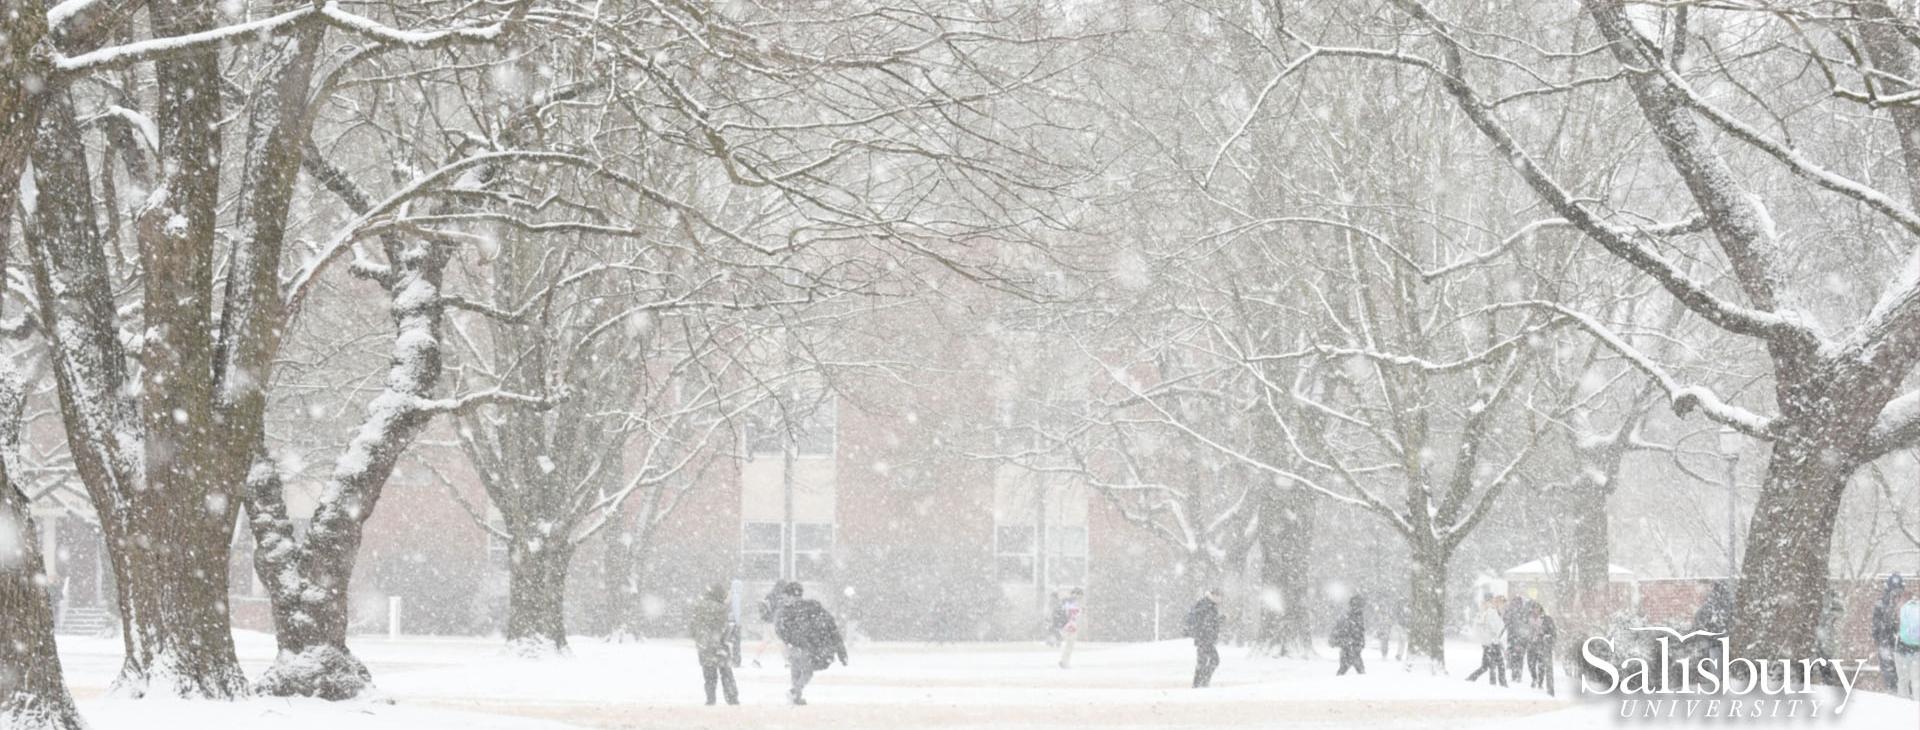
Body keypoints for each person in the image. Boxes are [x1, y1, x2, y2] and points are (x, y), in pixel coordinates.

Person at [773, 581, 847, 705]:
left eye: (786, 596)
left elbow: (780, 629)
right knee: (806, 671)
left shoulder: (787, 611)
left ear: (793, 596)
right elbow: (831, 627)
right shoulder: (813, 608)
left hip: (795, 646)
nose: (785, 600)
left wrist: (789, 640)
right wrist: (841, 652)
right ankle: (795, 692)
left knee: (797, 669)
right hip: (806, 647)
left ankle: (795, 694)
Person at [689, 583, 739, 705]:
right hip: (719, 645)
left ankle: (710, 699)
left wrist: (700, 638)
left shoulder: (698, 607)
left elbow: (692, 628)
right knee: (726, 673)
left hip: (704, 646)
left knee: (709, 675)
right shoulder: (722, 609)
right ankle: (732, 698)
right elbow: (726, 628)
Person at [1872, 574, 1906, 691]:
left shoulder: (1880, 603)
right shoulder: (1906, 602)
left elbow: (1876, 625)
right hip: (1903, 643)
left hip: (1886, 641)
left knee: (1888, 671)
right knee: (1903, 673)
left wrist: (1877, 638)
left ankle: (1892, 693)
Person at [1185, 588, 1224, 687]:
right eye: (1220, 597)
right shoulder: (1207, 606)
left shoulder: (1207, 604)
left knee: (1203, 661)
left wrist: (1218, 620)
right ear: (1215, 596)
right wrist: (1208, 632)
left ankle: (1199, 683)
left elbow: (1209, 621)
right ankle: (1202, 682)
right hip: (1205, 639)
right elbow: (1207, 622)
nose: (1220, 600)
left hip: (1204, 638)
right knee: (1213, 660)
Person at [1465, 594, 1507, 686]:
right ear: (1496, 602)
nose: (1502, 606)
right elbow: (1494, 628)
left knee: (1487, 666)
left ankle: (1471, 678)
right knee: (1498, 664)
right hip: (1491, 642)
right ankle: (1499, 684)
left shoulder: (1493, 612)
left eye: (1503, 604)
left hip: (1490, 642)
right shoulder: (1491, 612)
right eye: (1501, 603)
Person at [1331, 594, 1367, 676]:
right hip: (1351, 645)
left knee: (1346, 667)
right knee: (1357, 667)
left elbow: (1359, 631)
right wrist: (1358, 643)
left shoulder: (1355, 616)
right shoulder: (1353, 616)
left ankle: (1339, 679)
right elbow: (1357, 631)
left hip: (1349, 645)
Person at [1503, 595, 1533, 685]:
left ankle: (1517, 675)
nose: (1516, 604)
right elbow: (1506, 621)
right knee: (1515, 656)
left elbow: (1526, 624)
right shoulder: (1511, 611)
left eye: (1517, 602)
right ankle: (1515, 674)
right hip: (1514, 637)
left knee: (1518, 656)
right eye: (1515, 602)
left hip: (1519, 638)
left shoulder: (1523, 612)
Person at [1527, 602, 1555, 696]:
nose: (1536, 610)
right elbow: (1524, 630)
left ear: (1540, 608)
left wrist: (1546, 637)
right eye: (1534, 608)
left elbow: (1552, 631)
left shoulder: (1547, 619)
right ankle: (1534, 677)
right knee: (1530, 663)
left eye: (1537, 608)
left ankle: (1540, 681)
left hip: (1542, 645)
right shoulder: (1528, 618)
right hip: (1531, 644)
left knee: (1541, 665)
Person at [1898, 589, 1920, 702]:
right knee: (1917, 680)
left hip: (1903, 649)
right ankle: (1917, 701)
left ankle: (1903, 704)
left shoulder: (1903, 609)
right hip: (1917, 649)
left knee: (1903, 680)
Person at [1057, 587, 1084, 669]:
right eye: (1080, 595)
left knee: (1069, 645)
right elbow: (1072, 615)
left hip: (1067, 625)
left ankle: (1064, 661)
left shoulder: (1067, 602)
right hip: (1070, 626)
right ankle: (1065, 662)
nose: (1080, 597)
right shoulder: (1073, 603)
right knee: (1069, 645)